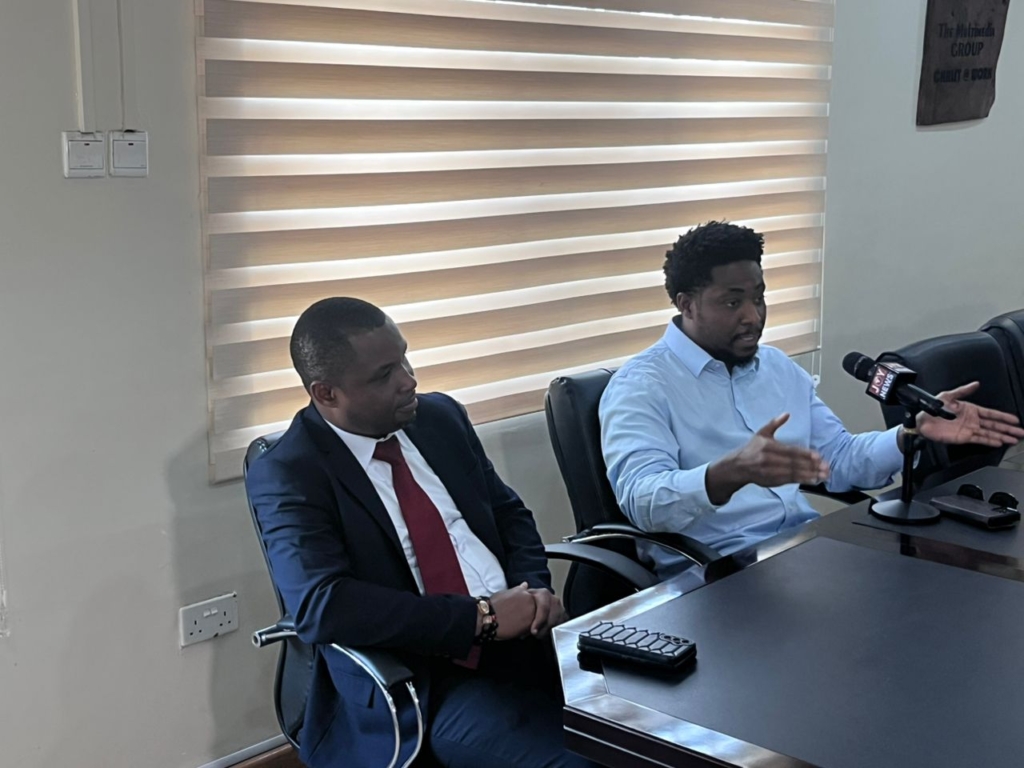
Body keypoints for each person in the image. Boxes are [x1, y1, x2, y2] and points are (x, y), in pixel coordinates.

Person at [246, 297, 596, 768]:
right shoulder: (290, 471)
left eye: (405, 359)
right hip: (431, 679)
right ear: (326, 393)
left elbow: (509, 514)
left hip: (529, 638)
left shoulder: (439, 418)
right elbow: (321, 604)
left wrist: (533, 592)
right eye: (384, 375)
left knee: (665, 720)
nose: (408, 380)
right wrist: (481, 618)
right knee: (583, 762)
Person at [600, 221, 1024, 576]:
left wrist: (909, 434)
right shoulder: (642, 386)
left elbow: (837, 460)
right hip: (715, 576)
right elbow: (643, 501)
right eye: (732, 302)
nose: (753, 316)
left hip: (803, 554)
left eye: (759, 297)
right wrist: (729, 473)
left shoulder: (776, 367)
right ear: (687, 305)